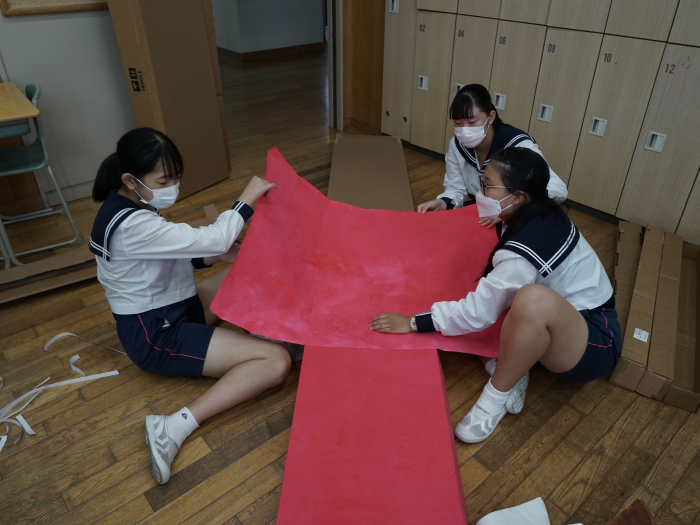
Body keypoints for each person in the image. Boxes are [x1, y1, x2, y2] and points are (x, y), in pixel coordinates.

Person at [370, 148, 619, 444]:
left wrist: (413, 322)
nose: (480, 192)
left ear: (518, 197)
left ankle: (494, 399)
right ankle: (511, 368)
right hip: (565, 322)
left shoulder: (523, 251)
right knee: (485, 302)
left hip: (595, 342)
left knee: (528, 301)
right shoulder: (532, 210)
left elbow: (477, 312)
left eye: (487, 185)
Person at [89, 128, 291, 484]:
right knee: (276, 362)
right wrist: (245, 201)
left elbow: (174, 257)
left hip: (175, 305)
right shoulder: (130, 224)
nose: (173, 186)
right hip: (155, 335)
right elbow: (213, 237)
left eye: (176, 178)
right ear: (130, 180)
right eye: (164, 180)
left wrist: (218, 257)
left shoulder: (133, 204)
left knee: (241, 272)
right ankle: (172, 427)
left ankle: (270, 333)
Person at [417, 83, 568, 225]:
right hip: (480, 210)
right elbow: (455, 188)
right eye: (458, 123)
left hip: (516, 215)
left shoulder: (519, 145)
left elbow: (557, 189)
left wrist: (510, 210)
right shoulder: (457, 145)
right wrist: (443, 203)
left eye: (472, 122)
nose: (464, 130)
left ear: (491, 117)